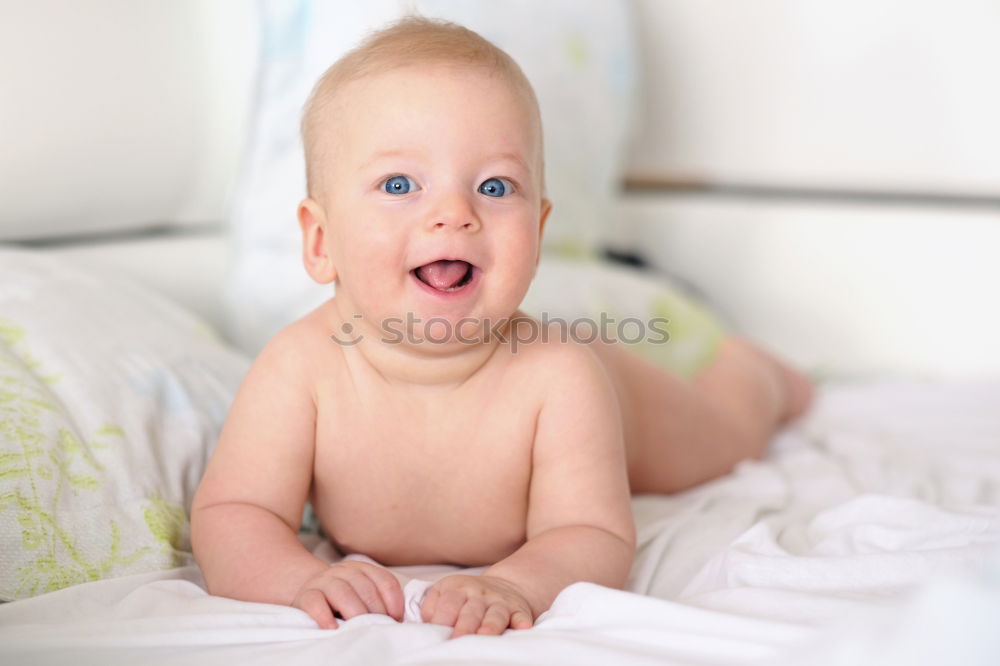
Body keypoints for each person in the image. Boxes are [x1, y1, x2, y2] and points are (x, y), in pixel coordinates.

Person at [191, 16, 812, 639]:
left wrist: (516, 584)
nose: (453, 214)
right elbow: (235, 512)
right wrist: (296, 579)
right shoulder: (300, 369)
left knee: (726, 434)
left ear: (537, 237)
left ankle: (755, 372)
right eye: (399, 184)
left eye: (494, 185)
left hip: (629, 406)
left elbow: (590, 533)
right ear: (321, 240)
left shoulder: (558, 377)